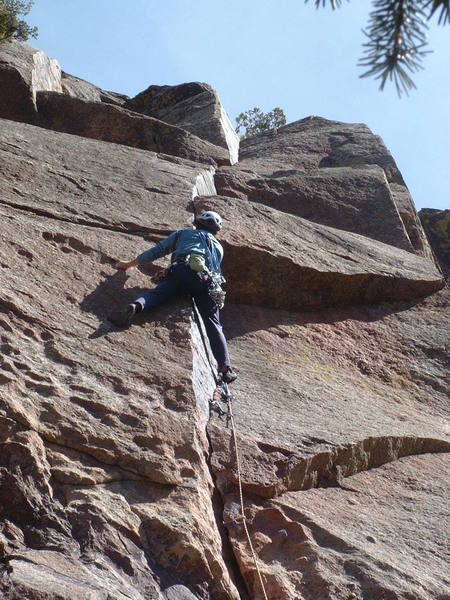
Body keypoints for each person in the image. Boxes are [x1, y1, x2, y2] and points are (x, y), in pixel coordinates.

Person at [108, 210, 237, 384]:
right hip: (209, 283)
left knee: (158, 294)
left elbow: (158, 251)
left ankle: (136, 306)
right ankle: (225, 368)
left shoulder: (184, 233)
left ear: (198, 222)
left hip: (182, 270)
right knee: (213, 323)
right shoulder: (219, 248)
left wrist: (129, 265)